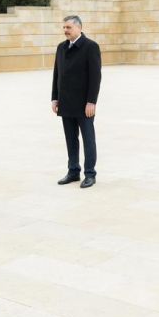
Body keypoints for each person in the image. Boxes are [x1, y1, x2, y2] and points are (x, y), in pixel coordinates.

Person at [51, 15, 101, 188]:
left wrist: (91, 101)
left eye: (69, 27)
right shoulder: (61, 47)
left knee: (88, 140)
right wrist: (55, 98)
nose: (65, 30)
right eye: (64, 27)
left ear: (79, 28)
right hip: (65, 103)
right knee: (71, 139)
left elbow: (95, 77)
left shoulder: (90, 47)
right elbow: (57, 74)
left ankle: (90, 174)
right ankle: (73, 171)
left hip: (84, 104)